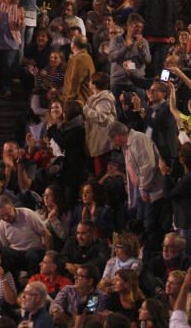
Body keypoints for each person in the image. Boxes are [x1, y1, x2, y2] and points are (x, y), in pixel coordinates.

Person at [108, 122, 165, 255]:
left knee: (148, 227)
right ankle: (138, 255)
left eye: (112, 139)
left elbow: (148, 166)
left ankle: (148, 257)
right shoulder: (127, 145)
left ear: (118, 135)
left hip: (151, 191)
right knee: (139, 228)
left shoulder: (138, 140)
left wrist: (144, 188)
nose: (113, 143)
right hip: (141, 192)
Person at [0, 195, 51, 278]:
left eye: (8, 214)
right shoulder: (1, 226)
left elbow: (46, 234)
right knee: (5, 253)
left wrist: (48, 257)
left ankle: (33, 280)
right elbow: (6, 246)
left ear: (13, 207)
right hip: (17, 254)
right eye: (2, 216)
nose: (6, 218)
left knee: (31, 254)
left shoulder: (28, 215)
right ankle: (13, 283)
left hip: (34, 251)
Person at [83, 72, 117, 174]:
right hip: (98, 139)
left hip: (103, 142)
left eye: (90, 81)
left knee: (101, 171)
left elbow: (101, 117)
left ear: (94, 84)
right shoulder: (96, 98)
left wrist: (86, 110)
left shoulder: (104, 99)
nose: (88, 83)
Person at [63, 34, 95, 104]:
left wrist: (68, 101)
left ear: (73, 44)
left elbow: (74, 81)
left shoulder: (80, 59)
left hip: (78, 101)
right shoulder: (86, 57)